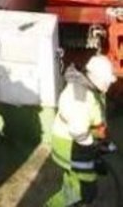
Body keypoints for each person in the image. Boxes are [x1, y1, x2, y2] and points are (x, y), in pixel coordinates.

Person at [46, 53, 117, 207]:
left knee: (74, 183)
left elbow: (90, 121)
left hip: (75, 142)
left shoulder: (91, 88)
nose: (109, 85)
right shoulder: (81, 97)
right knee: (85, 190)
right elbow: (79, 133)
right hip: (71, 146)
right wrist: (94, 151)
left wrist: (102, 143)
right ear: (97, 77)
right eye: (107, 81)